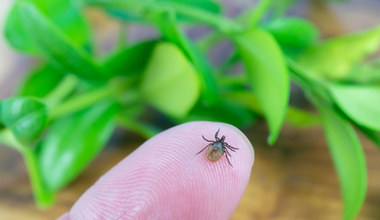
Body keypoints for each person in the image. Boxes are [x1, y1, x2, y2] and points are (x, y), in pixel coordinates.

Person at [58, 121, 254, 219]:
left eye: (219, 141)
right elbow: (219, 150)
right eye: (219, 141)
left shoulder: (215, 146)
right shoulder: (221, 149)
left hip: (212, 155)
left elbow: (210, 147)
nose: (220, 143)